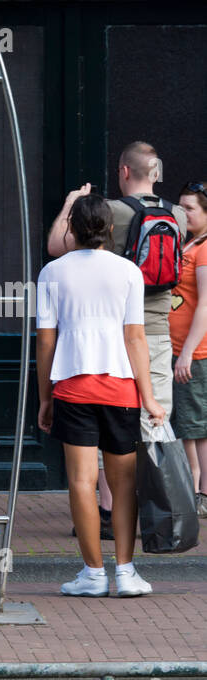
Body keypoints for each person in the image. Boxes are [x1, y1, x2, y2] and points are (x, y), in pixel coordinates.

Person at [47, 142, 188, 535]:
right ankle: (159, 508)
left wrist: (71, 204)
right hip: (156, 331)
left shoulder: (114, 212)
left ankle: (109, 512)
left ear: (124, 171)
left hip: (111, 335)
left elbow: (58, 248)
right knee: (150, 419)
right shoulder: (177, 213)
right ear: (155, 172)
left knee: (107, 424)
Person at [36, 194, 166, 597]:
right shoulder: (128, 271)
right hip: (120, 388)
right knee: (124, 484)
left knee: (80, 481)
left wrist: (45, 397)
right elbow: (135, 338)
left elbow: (45, 341)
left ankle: (92, 574)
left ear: (72, 228)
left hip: (73, 387)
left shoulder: (52, 273)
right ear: (110, 229)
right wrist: (148, 396)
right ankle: (126, 572)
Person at [170, 181, 207, 517]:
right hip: (179, 349)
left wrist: (187, 352)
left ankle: (199, 491)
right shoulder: (186, 243)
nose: (182, 213)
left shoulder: (205, 249)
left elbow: (206, 304)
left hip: (193, 352)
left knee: (194, 424)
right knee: (191, 424)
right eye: (179, 207)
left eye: (190, 208)